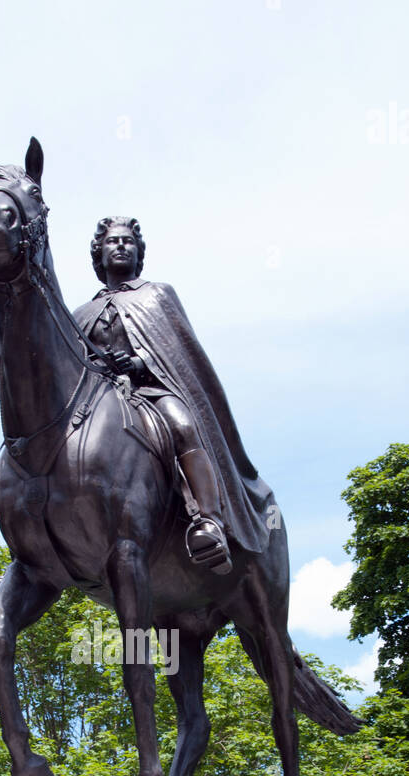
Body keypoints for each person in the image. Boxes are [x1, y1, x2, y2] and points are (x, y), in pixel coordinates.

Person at [73, 217, 277, 575]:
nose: (120, 246)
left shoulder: (156, 295)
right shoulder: (81, 314)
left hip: (152, 390)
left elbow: (178, 355)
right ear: (99, 254)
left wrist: (138, 362)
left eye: (127, 242)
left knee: (183, 426)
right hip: (100, 404)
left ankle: (208, 521)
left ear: (138, 253)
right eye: (112, 242)